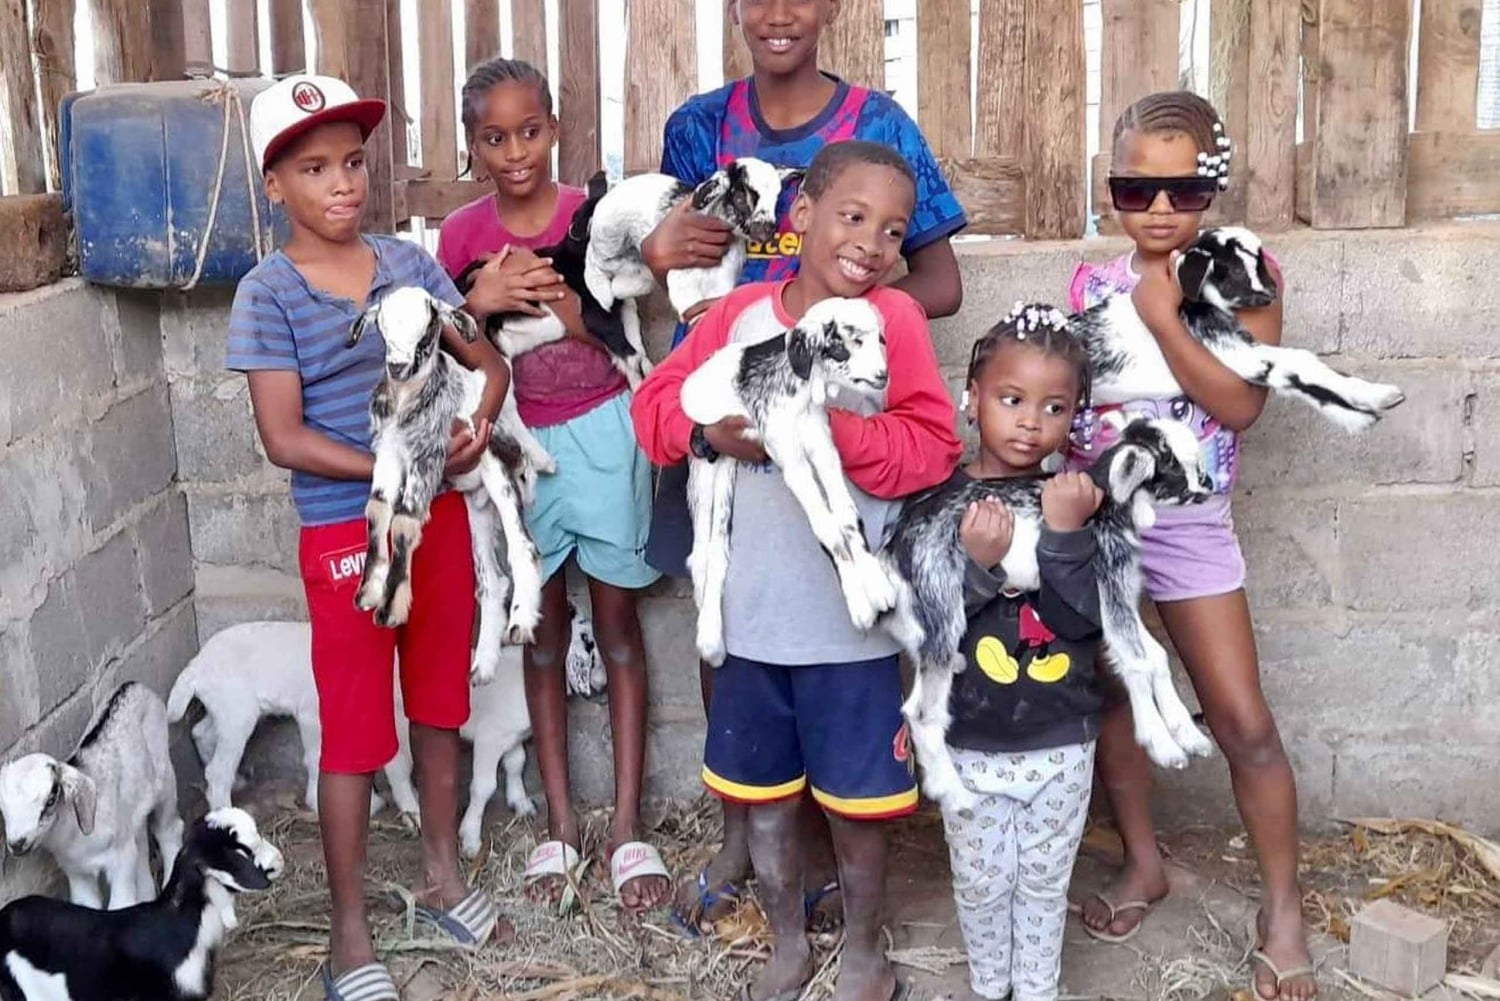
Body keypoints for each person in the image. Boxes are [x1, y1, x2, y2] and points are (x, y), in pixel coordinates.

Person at [645, 0, 969, 935]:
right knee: (735, 645)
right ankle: (747, 842)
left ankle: (837, 884)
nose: (870, 242)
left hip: (842, 526)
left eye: (886, 228)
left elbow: (930, 413)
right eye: (850, 218)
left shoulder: (880, 139)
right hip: (734, 417)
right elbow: (669, 358)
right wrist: (711, 426)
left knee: (845, 700)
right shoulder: (699, 131)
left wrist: (825, 399)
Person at [228, 75, 511, 1001]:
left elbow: (485, 359)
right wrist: (393, 463)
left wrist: (479, 421)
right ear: (275, 185)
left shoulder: (411, 266)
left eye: (351, 162)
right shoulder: (268, 294)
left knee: (439, 705)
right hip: (348, 536)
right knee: (352, 734)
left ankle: (441, 878)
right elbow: (285, 437)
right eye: (314, 168)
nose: (342, 183)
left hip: (439, 518)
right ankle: (348, 935)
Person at [1065, 90, 1315, 1001]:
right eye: (1137, 189)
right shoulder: (1090, 287)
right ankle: (1144, 861)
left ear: (1213, 189)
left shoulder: (1243, 274)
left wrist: (1166, 316)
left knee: (1241, 718)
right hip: (1101, 519)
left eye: (1184, 190)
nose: (1161, 209)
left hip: (1189, 522)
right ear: (1111, 191)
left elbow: (1241, 403)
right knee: (1116, 700)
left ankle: (1282, 907)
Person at [435, 57, 669, 915]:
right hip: (516, 445)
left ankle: (627, 826)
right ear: (472, 145)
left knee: (617, 625)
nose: (515, 153)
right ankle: (561, 825)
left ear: (555, 129)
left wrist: (568, 311)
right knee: (540, 630)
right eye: (494, 138)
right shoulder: (461, 236)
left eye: (529, 132)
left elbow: (626, 318)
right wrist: (486, 296)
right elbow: (449, 340)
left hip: (605, 432)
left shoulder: (589, 218)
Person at [933, 307, 1105, 1001]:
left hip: (1061, 739)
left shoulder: (1077, 500)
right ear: (972, 397)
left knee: (1042, 881)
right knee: (980, 881)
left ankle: (1037, 989)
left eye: (1054, 407)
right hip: (970, 741)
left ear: (1076, 416)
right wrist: (977, 564)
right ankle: (989, 986)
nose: (1031, 422)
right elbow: (926, 627)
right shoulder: (942, 502)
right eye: (1012, 400)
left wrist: (1063, 534)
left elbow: (1084, 623)